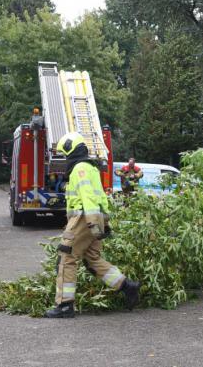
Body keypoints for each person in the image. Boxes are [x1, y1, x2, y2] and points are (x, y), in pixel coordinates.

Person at [45, 132, 140, 318]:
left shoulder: (79, 168)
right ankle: (127, 286)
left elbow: (87, 196)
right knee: (92, 259)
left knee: (67, 257)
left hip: (83, 218)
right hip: (95, 218)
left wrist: (91, 222)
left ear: (71, 152)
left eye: (65, 155)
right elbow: (100, 198)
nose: (65, 159)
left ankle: (64, 305)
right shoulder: (91, 167)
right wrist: (103, 223)